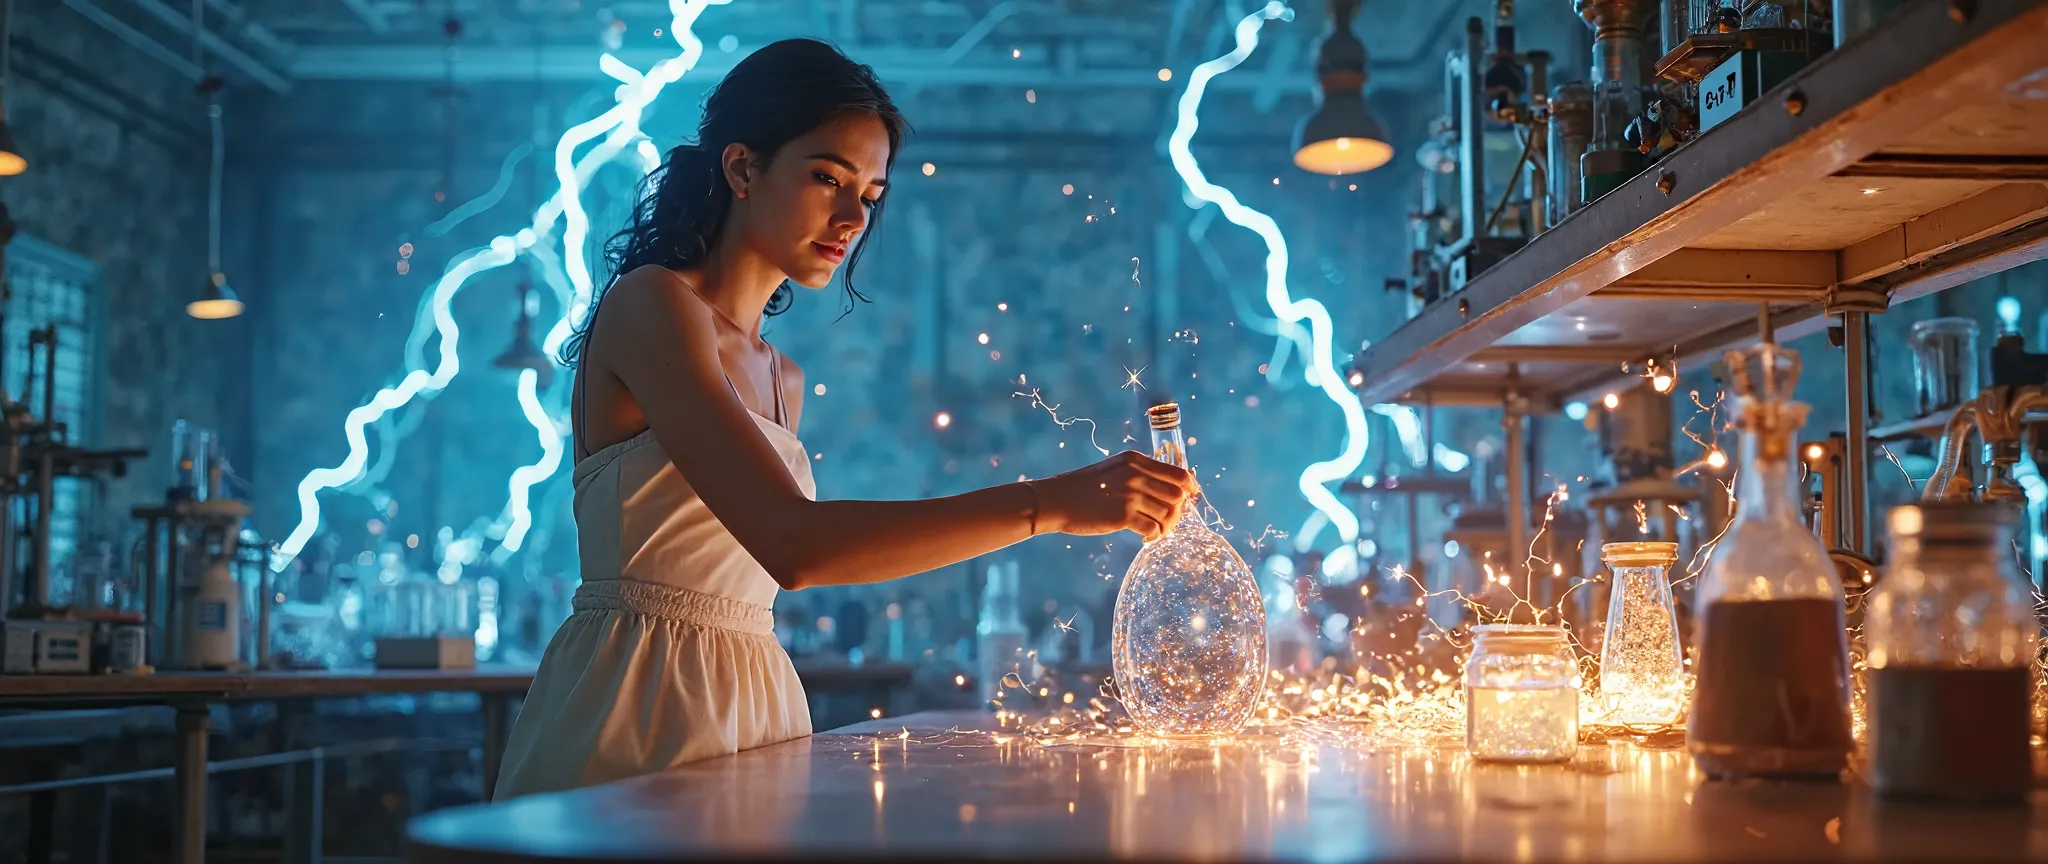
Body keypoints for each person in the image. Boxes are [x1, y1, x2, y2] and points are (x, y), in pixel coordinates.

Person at [492, 38, 1197, 799]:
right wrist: (1050, 505)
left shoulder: (781, 376)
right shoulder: (653, 305)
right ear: (741, 167)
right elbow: (793, 545)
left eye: (870, 193)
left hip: (755, 697)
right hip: (637, 697)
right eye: (827, 177)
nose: (851, 215)